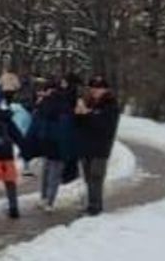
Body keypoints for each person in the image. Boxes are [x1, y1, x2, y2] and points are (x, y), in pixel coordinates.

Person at [30, 76, 78, 211]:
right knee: (53, 173)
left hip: (49, 140)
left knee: (48, 171)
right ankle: (49, 201)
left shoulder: (48, 103)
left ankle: (45, 199)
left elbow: (39, 121)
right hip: (57, 142)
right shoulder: (65, 102)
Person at [75, 76, 121, 215]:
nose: (95, 91)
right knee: (88, 178)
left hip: (100, 147)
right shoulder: (89, 103)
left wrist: (87, 114)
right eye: (92, 88)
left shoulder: (110, 105)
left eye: (98, 88)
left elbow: (103, 125)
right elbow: (81, 125)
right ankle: (91, 204)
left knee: (96, 177)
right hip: (86, 146)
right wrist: (79, 114)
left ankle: (96, 207)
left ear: (105, 89)